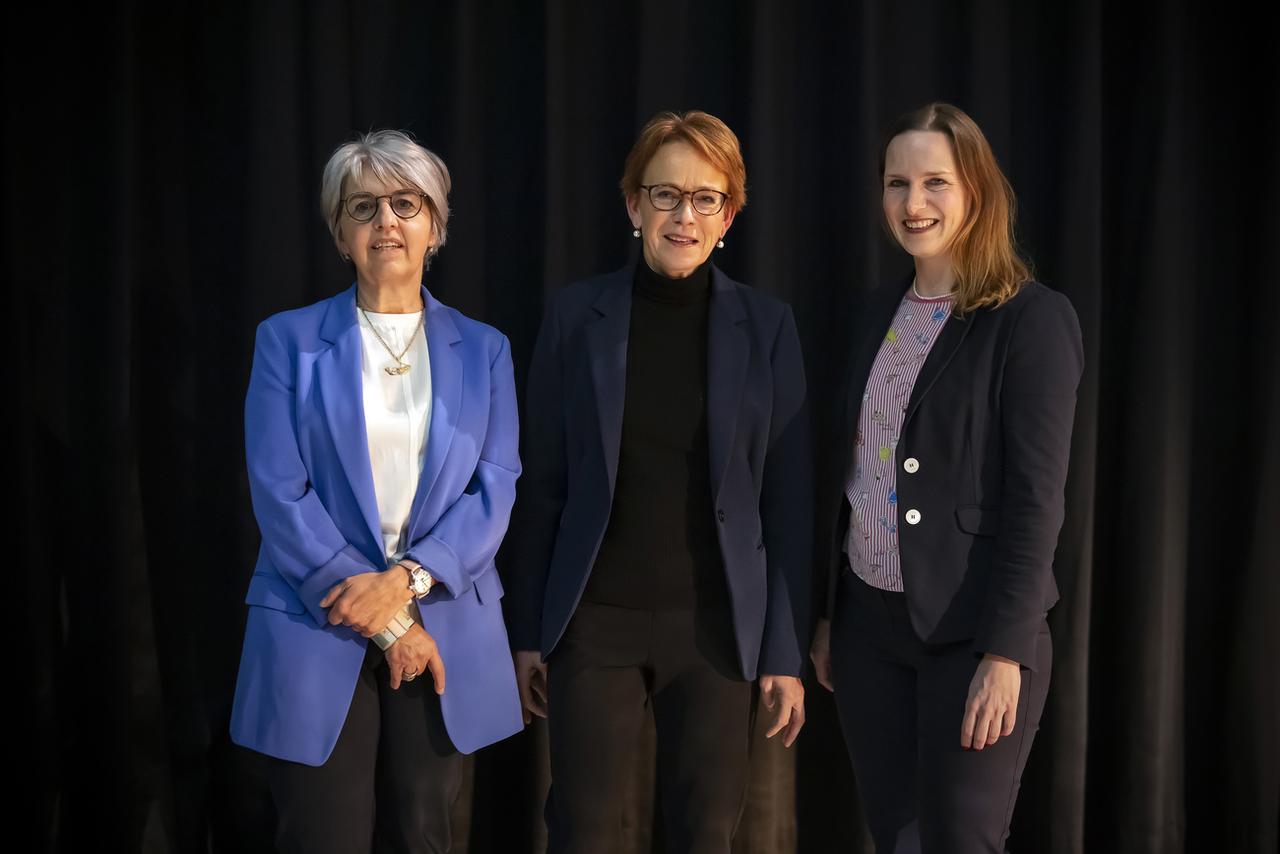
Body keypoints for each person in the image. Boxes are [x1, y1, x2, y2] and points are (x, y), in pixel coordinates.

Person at [507, 110, 812, 854]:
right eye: (665, 194)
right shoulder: (578, 316)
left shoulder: (767, 326)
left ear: (729, 215)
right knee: (581, 831)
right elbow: (541, 481)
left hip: (714, 628)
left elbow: (788, 503)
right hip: (594, 621)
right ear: (633, 205)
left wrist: (784, 652)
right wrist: (525, 634)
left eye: (706, 198)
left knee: (706, 834)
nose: (684, 215)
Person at [229, 129, 523, 853]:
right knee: (319, 836)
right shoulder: (286, 342)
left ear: (435, 225)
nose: (385, 221)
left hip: (446, 627)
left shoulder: (485, 350)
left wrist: (411, 582)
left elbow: (496, 487)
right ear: (339, 232)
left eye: (405, 203)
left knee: (427, 837)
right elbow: (278, 490)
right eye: (363, 207)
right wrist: (392, 622)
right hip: (313, 622)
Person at [809, 102, 1084, 853]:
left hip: (972, 636)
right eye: (897, 183)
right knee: (896, 837)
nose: (914, 203)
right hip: (869, 632)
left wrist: (1006, 652)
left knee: (961, 839)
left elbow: (1036, 502)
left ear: (977, 193)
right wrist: (834, 614)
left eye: (936, 182)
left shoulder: (1030, 320)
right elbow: (856, 474)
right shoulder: (877, 313)